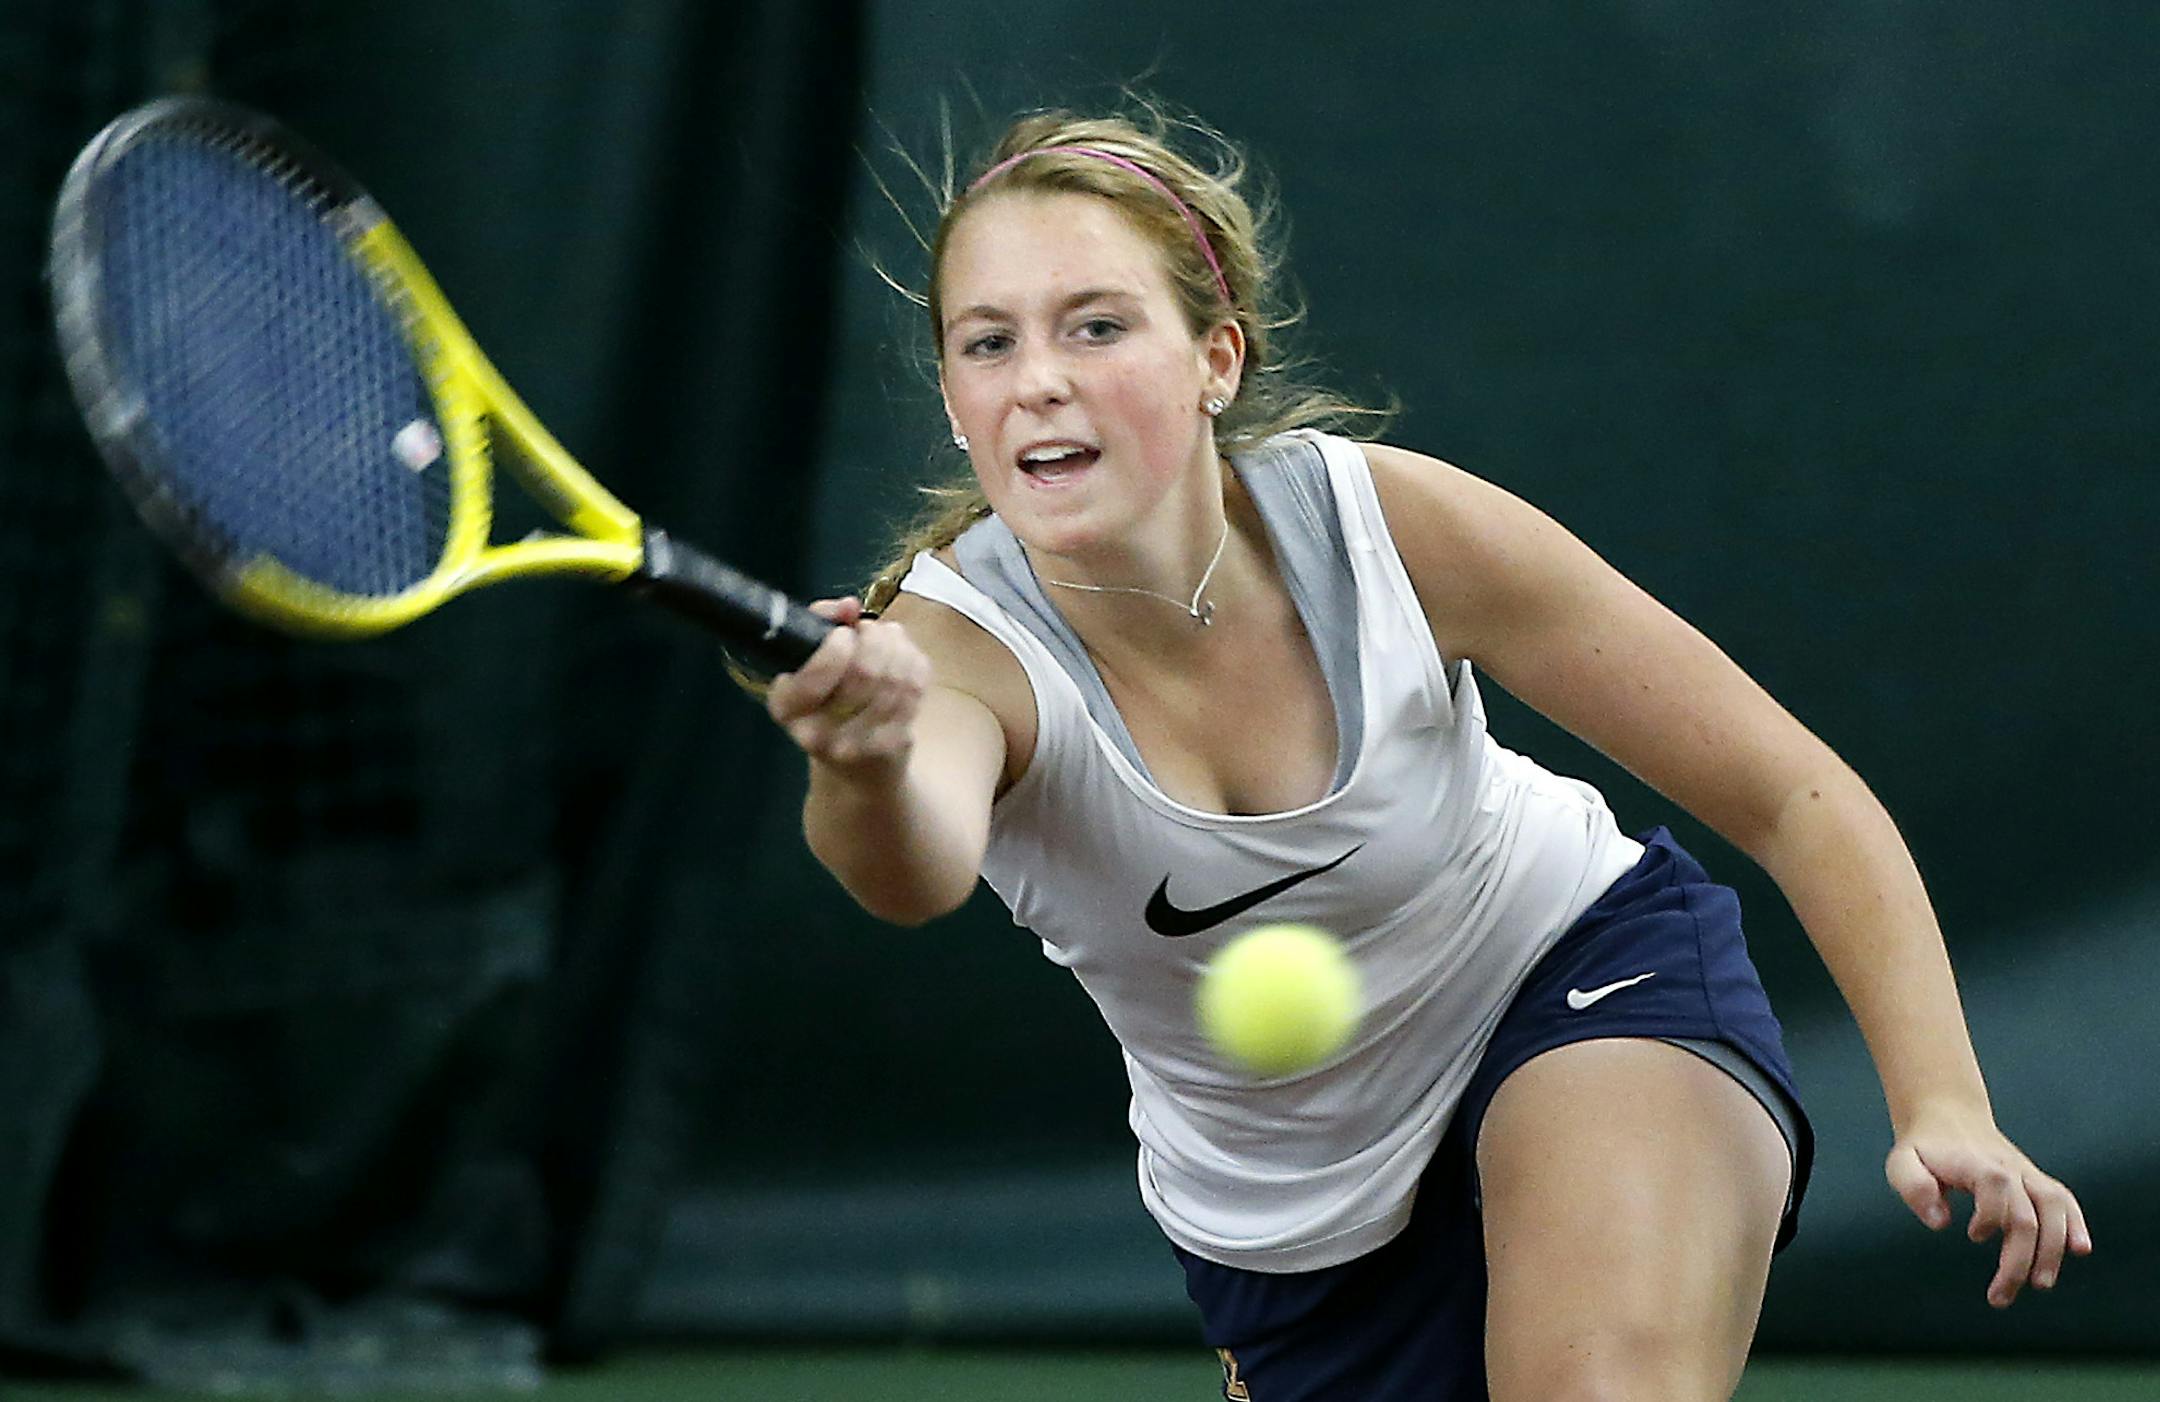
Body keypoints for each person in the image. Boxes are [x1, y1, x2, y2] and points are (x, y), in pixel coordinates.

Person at [762, 105, 2091, 1401]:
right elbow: (911, 869)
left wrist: (1944, 1101)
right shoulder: (952, 648)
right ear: (952, 393)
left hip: (1578, 979)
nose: (1038, 376)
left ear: (1215, 360)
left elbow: (1793, 790)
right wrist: (864, 758)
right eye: (987, 343)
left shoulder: (1386, 526)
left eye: (1096, 325)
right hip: (1294, 1235)